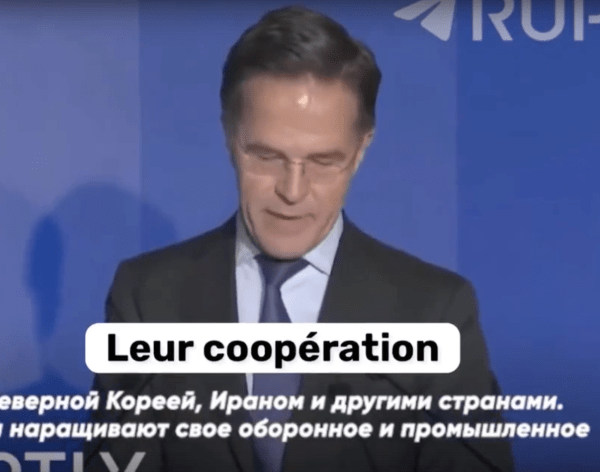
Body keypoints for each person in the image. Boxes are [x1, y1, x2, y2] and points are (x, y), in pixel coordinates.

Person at [85, 6, 515, 472]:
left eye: (323, 161)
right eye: (267, 156)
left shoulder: (434, 311)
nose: (292, 191)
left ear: (361, 150)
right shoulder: (148, 298)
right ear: (230, 136)